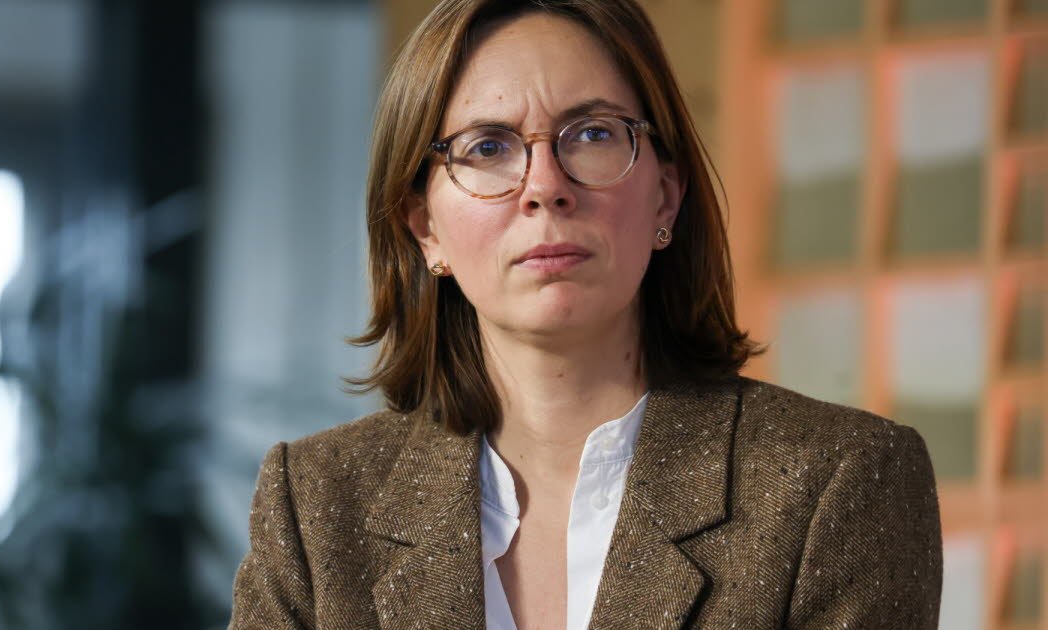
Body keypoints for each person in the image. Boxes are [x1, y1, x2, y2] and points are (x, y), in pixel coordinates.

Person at [228, 0, 943, 628]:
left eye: (593, 134)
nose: (545, 186)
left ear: (666, 197)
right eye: (488, 147)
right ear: (425, 228)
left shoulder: (835, 481)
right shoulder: (318, 503)